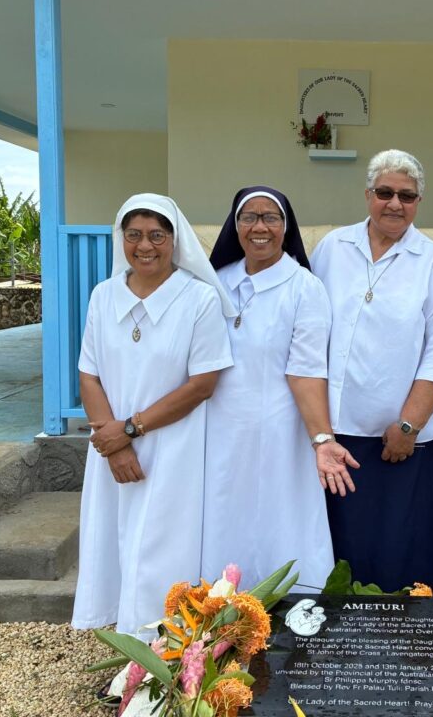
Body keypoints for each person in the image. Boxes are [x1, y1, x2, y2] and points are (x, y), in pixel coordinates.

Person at [71, 193, 234, 638]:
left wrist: (128, 431)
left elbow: (202, 384)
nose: (146, 245)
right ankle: (124, 641)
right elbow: (89, 374)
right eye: (134, 235)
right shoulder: (103, 296)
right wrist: (112, 443)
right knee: (113, 540)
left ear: (174, 240)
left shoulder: (198, 299)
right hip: (112, 448)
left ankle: (157, 651)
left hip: (171, 447)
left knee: (162, 546)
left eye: (157, 235)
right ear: (121, 239)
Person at [311, 149, 433, 595]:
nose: (394, 203)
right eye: (385, 193)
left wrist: (408, 424)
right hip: (335, 435)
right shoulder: (332, 249)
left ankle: (405, 650)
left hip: (401, 441)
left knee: (402, 552)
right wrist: (319, 430)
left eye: (406, 195)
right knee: (341, 552)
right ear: (367, 195)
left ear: (419, 202)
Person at [203, 186, 358, 590]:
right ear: (234, 226)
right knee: (222, 515)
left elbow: (307, 370)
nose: (259, 227)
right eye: (248, 217)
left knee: (281, 516)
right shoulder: (214, 283)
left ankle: (289, 615)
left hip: (281, 431)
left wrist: (322, 439)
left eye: (270, 217)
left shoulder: (304, 287)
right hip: (218, 432)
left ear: (285, 228)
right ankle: (218, 613)